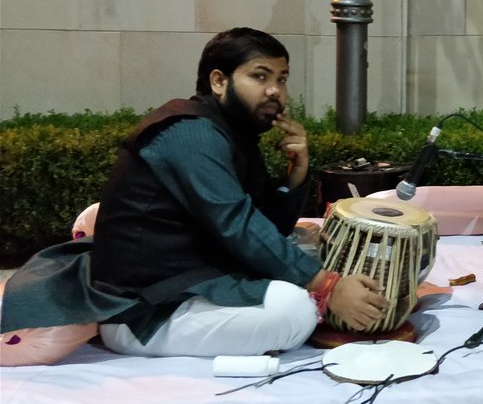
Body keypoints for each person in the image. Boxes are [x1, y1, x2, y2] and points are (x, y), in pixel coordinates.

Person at [1, 28, 388, 357]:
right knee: (294, 310)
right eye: (260, 76)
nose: (274, 91)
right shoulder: (188, 131)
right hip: (145, 309)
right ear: (219, 81)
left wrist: (295, 175)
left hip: (196, 279)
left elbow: (266, 227)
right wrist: (327, 287)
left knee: (307, 248)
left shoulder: (233, 132)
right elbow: (237, 224)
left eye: (282, 79)